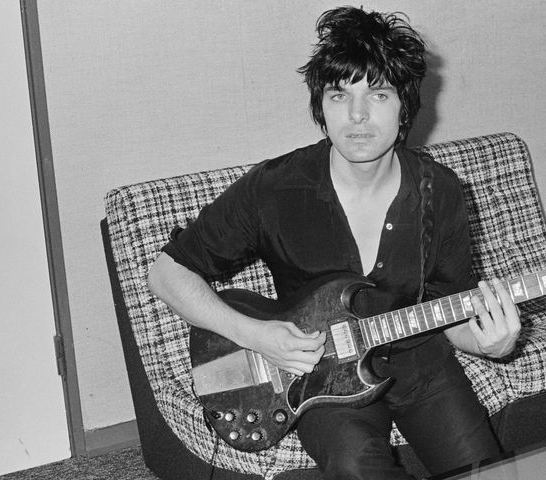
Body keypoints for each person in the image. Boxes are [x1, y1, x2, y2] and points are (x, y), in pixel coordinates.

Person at [147, 6, 521, 479]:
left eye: (379, 94)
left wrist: (492, 344)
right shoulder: (276, 188)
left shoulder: (440, 191)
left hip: (419, 360)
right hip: (317, 372)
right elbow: (166, 273)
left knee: (489, 472)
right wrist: (255, 334)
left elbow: (453, 312)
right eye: (340, 95)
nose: (358, 116)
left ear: (404, 105)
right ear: (320, 105)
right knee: (357, 469)